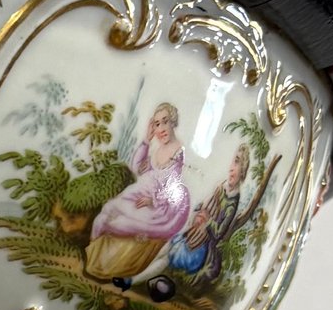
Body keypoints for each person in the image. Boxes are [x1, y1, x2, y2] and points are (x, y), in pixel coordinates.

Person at [84, 102, 190, 282]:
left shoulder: (178, 151)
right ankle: (94, 260)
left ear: (173, 122)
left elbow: (172, 183)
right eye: (157, 124)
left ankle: (107, 267)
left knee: (121, 223)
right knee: (108, 209)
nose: (161, 129)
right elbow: (137, 167)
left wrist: (153, 200)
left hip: (162, 205)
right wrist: (146, 140)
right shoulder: (157, 149)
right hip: (141, 191)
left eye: (165, 122)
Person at [157, 145, 281, 298]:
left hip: (203, 244)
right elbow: (203, 204)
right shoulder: (221, 187)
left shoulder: (232, 203)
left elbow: (219, 232)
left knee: (172, 254)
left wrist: (208, 220)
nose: (232, 168)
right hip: (195, 232)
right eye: (233, 161)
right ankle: (140, 274)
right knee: (168, 247)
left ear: (243, 172)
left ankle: (152, 282)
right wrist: (198, 213)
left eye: (237, 163)